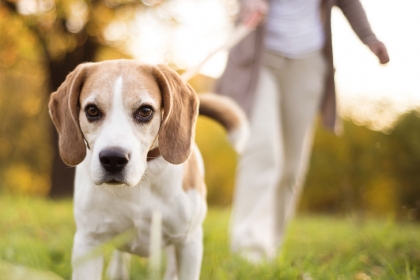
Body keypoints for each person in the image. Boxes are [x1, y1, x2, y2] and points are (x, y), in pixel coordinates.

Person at [215, 0, 389, 262]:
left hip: (308, 61)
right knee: (263, 151)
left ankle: (269, 247)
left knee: (291, 166)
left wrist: (369, 37)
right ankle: (248, 251)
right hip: (260, 56)